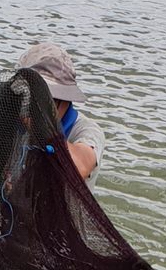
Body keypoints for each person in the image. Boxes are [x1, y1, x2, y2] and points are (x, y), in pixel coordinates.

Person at [17, 43, 105, 191]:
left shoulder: (86, 130)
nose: (39, 105)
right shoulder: (10, 120)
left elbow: (80, 167)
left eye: (50, 99)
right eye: (31, 95)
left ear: (66, 98)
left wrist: (40, 127)